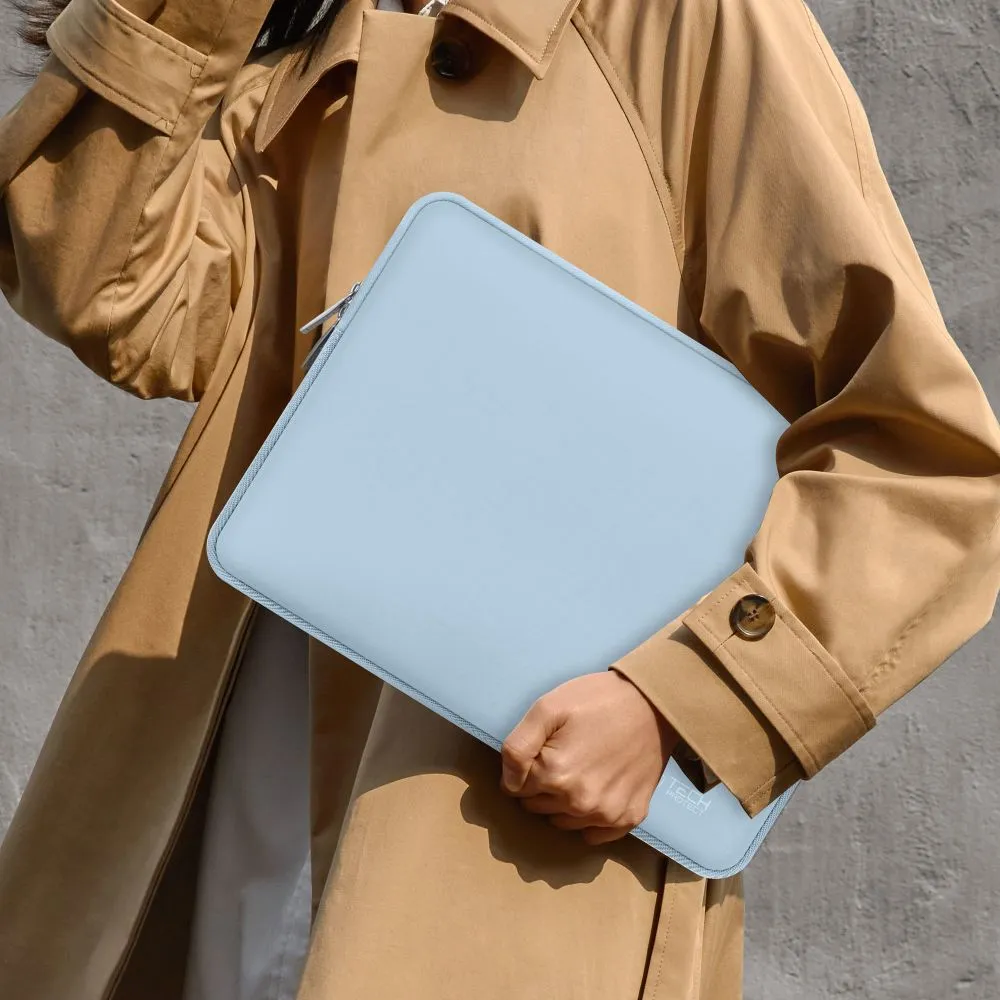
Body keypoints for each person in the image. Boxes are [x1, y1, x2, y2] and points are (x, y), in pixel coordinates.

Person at [1, 0, 998, 997]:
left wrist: (687, 698)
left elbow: (921, 453)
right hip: (226, 811)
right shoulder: (306, 55)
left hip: (507, 821)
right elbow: (114, 295)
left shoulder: (681, 24)